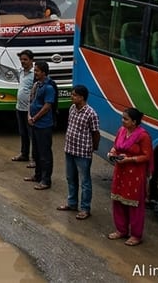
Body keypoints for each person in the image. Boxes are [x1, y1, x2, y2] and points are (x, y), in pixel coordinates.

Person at [107, 107, 153, 246]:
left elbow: (147, 156)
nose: (122, 121)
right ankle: (121, 230)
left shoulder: (143, 136)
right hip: (120, 171)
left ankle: (136, 235)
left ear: (134, 121)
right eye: (122, 118)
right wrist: (112, 152)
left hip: (135, 173)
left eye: (125, 119)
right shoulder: (121, 131)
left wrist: (129, 160)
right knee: (118, 201)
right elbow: (116, 146)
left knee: (133, 204)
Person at [59, 85, 100, 220]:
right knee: (71, 178)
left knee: (85, 181)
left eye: (74, 95)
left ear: (82, 97)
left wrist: (93, 147)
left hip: (83, 152)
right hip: (70, 149)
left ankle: (85, 208)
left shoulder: (91, 113)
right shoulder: (72, 109)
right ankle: (72, 203)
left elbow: (95, 133)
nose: (72, 97)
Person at [26, 60, 56, 190]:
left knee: (45, 154)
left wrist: (35, 118)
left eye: (37, 70)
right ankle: (37, 175)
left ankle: (46, 180)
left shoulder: (49, 87)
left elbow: (47, 106)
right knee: (37, 152)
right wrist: (29, 116)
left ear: (43, 72)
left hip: (43, 125)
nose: (35, 73)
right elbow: (31, 101)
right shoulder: (37, 85)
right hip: (34, 123)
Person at [12, 50, 37, 168]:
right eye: (21, 59)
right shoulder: (21, 72)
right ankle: (24, 154)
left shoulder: (35, 74)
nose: (23, 62)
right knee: (23, 133)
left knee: (32, 134)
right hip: (19, 108)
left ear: (31, 60)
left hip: (29, 109)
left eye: (25, 59)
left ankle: (35, 159)